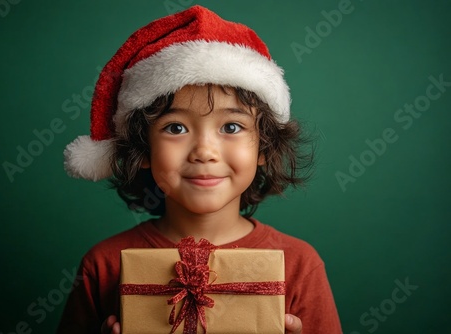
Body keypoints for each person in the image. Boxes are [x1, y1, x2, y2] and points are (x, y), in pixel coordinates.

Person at [59, 5, 342, 334]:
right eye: (176, 128)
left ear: (264, 146)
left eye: (232, 127)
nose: (205, 152)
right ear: (143, 147)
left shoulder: (299, 263)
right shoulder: (104, 264)